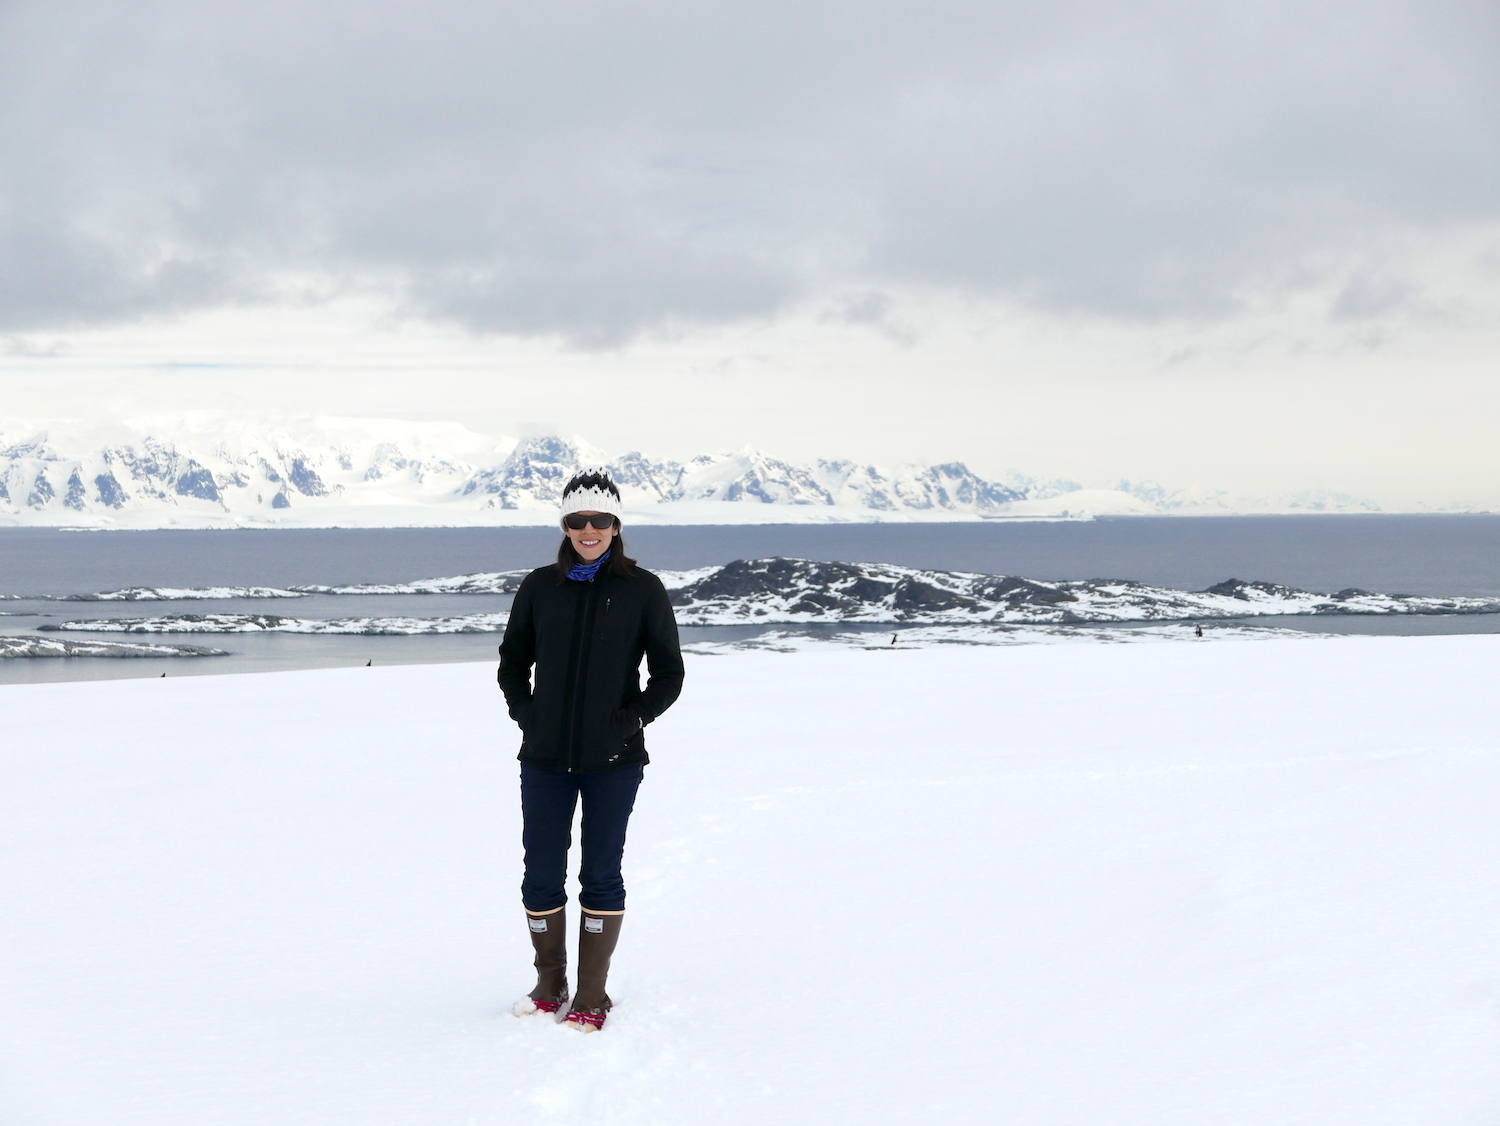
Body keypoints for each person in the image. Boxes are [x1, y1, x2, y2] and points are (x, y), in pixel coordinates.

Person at [497, 470, 684, 1032]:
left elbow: (669, 675)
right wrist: (529, 716)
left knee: (601, 874)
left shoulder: (642, 589)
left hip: (614, 763)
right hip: (545, 760)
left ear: (615, 526)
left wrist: (628, 723)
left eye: (599, 520)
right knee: (539, 874)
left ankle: (592, 993)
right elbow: (512, 663)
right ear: (565, 526)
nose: (588, 529)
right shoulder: (539, 587)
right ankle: (550, 982)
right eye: (576, 520)